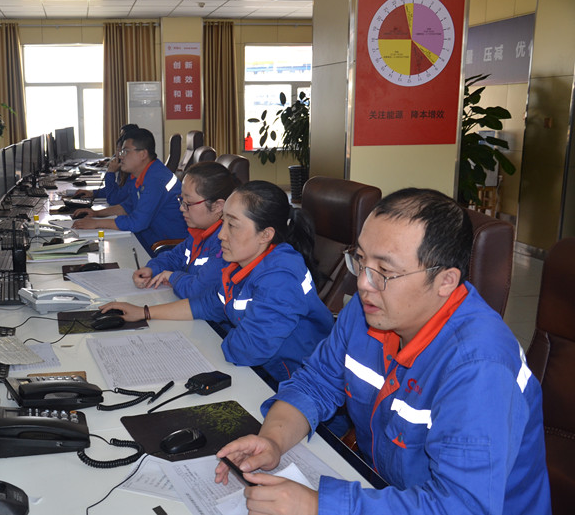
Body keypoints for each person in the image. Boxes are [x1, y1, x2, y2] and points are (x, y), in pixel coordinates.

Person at [215, 188, 551, 515]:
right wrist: (272, 441)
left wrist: (318, 506)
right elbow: (315, 383)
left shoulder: (480, 366)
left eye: (385, 272)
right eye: (361, 260)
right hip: (384, 491)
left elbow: (461, 506)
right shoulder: (367, 312)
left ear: (446, 281)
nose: (363, 283)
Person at [101, 181, 334, 383]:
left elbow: (248, 350)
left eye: (232, 225)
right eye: (223, 222)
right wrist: (144, 312)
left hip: (293, 385)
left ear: (266, 234)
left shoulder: (280, 278)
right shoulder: (242, 264)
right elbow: (208, 304)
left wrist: (213, 341)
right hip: (261, 373)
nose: (221, 234)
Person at [72, 128, 187, 251]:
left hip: (166, 245)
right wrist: (96, 214)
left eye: (125, 151)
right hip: (149, 236)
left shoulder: (156, 179)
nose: (121, 156)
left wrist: (96, 223)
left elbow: (137, 223)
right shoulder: (141, 175)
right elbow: (127, 207)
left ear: (143, 154)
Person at [133, 162, 236, 299]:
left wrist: (172, 277)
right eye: (181, 200)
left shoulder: (225, 244)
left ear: (218, 206)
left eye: (189, 203)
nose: (182, 208)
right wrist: (152, 269)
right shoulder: (198, 232)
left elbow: (199, 289)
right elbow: (174, 257)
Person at [74, 124, 138, 205]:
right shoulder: (125, 171)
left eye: (122, 152)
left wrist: (110, 173)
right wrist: (93, 193)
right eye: (118, 151)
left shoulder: (133, 174)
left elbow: (113, 199)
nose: (118, 156)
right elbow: (117, 190)